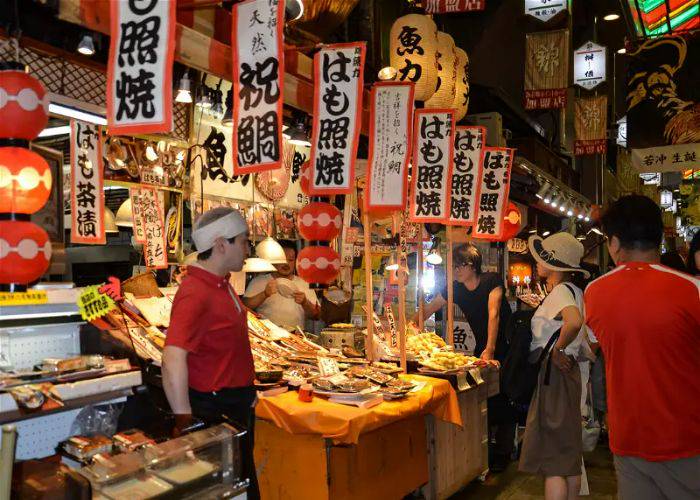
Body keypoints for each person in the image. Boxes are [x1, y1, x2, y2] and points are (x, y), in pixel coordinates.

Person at [584, 195, 700, 500]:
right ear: (659, 239)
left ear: (615, 243)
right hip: (688, 439)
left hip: (628, 439)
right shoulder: (692, 289)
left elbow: (590, 347)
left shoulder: (595, 293)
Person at [162, 207, 259, 499]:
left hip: (235, 405)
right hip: (215, 410)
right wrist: (183, 417)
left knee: (240, 488)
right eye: (243, 241)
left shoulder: (222, 284)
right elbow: (172, 357)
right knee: (226, 491)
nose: (247, 248)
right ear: (220, 245)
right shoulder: (195, 291)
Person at [415, 244, 515, 471]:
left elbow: (494, 313)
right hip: (483, 343)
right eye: (454, 265)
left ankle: (504, 451)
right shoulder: (456, 288)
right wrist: (409, 325)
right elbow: (430, 308)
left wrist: (490, 349)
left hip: (506, 343)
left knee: (504, 394)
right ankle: (486, 448)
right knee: (485, 395)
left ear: (473, 265)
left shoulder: (492, 280)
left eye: (461, 265)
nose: (456, 270)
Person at [519, 232, 590, 500]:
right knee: (567, 453)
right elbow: (587, 338)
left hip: (555, 378)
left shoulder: (560, 291)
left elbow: (573, 322)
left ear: (555, 264)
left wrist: (558, 348)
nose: (536, 262)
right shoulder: (575, 291)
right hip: (567, 375)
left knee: (554, 459)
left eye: (541, 258)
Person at [243, 241, 320, 328]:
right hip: (268, 337)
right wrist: (264, 294)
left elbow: (316, 315)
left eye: (290, 260)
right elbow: (244, 307)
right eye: (282, 259)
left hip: (296, 338)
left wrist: (305, 302)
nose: (286, 263)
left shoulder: (304, 284)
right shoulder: (259, 281)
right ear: (273, 260)